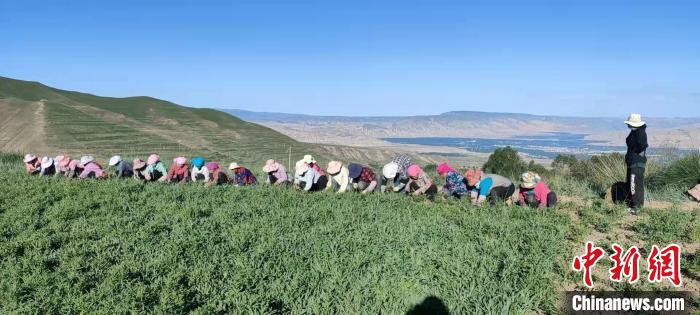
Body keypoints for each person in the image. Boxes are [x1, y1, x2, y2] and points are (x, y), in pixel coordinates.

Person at [624, 113, 648, 213]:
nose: (628, 125)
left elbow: (642, 145)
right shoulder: (635, 132)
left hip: (637, 163)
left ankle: (636, 207)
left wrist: (635, 153)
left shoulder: (640, 133)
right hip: (633, 163)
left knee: (635, 185)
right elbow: (628, 141)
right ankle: (633, 205)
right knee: (632, 184)